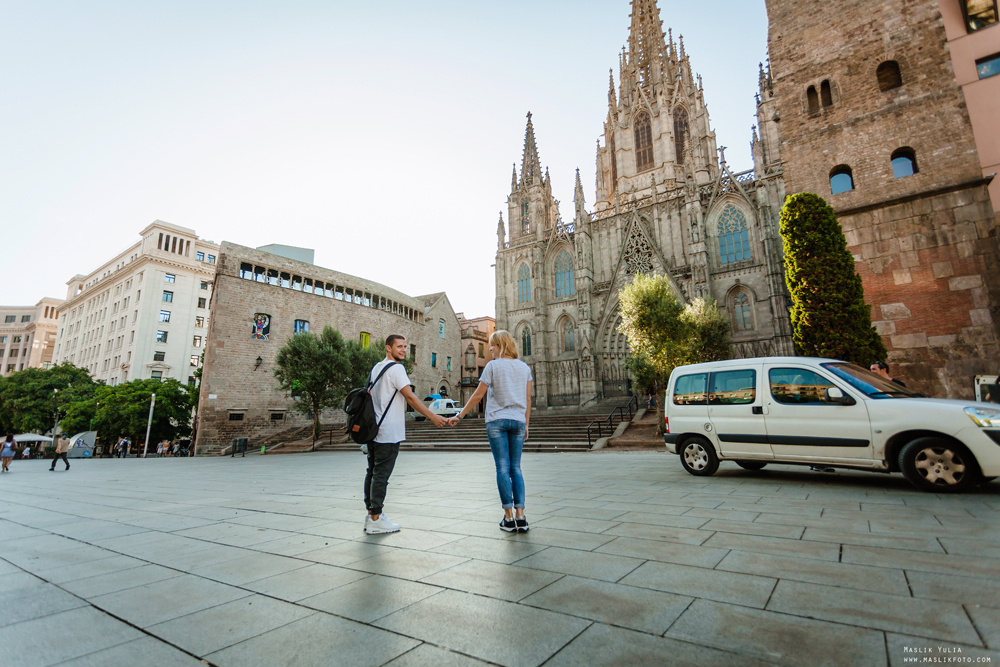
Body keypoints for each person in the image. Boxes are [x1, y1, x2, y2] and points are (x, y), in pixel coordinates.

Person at [448, 330, 533, 533]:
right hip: (519, 421)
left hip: (496, 421)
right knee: (516, 468)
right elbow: (528, 399)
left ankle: (508, 517)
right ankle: (521, 516)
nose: (490, 349)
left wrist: (459, 416)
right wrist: (527, 424)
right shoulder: (524, 368)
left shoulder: (492, 366)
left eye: (492, 345)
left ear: (501, 345)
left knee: (502, 468)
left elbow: (478, 396)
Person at [364, 334, 448, 535]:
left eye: (404, 346)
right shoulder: (397, 369)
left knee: (373, 473)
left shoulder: (376, 368)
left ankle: (371, 515)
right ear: (388, 348)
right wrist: (432, 416)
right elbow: (410, 397)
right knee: (381, 475)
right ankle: (376, 518)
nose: (403, 350)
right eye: (399, 347)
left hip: (374, 431)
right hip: (389, 432)